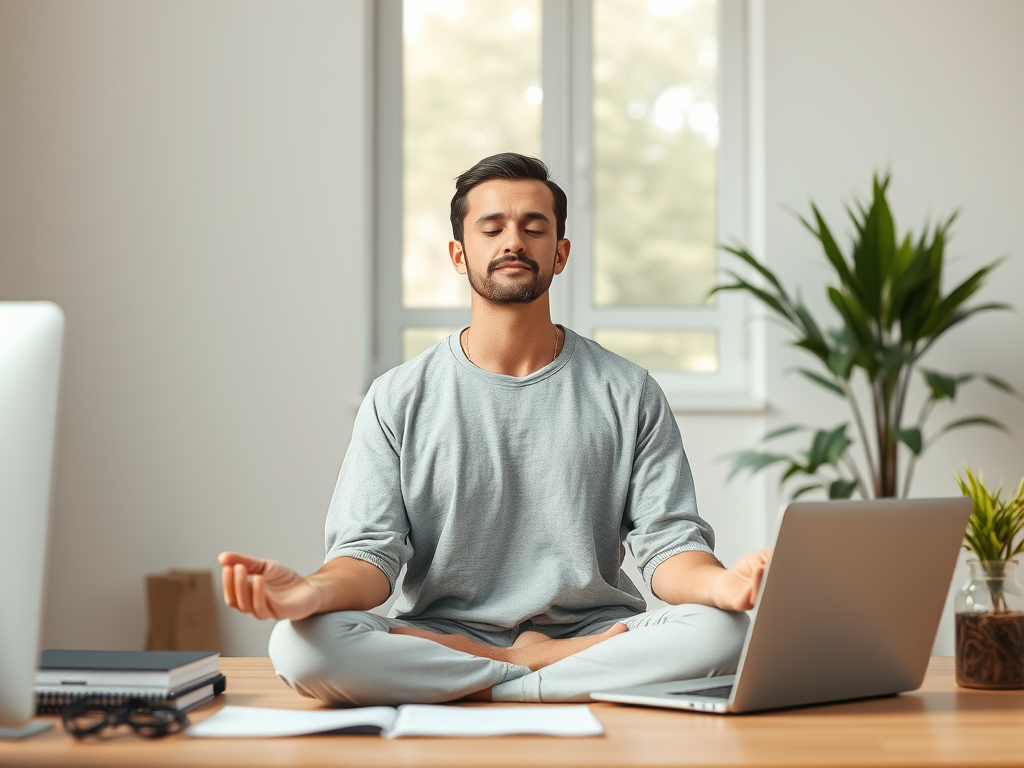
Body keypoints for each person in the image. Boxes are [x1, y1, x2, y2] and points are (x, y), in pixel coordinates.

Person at [219, 153, 770, 705]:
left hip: (592, 635)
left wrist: (724, 585)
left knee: (722, 632)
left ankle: (483, 681)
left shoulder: (628, 390)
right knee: (299, 644)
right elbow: (368, 555)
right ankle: (539, 677)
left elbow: (670, 547)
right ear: (460, 255)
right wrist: (309, 593)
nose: (514, 242)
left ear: (561, 253)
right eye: (493, 228)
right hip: (444, 636)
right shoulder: (398, 396)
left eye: (535, 228)